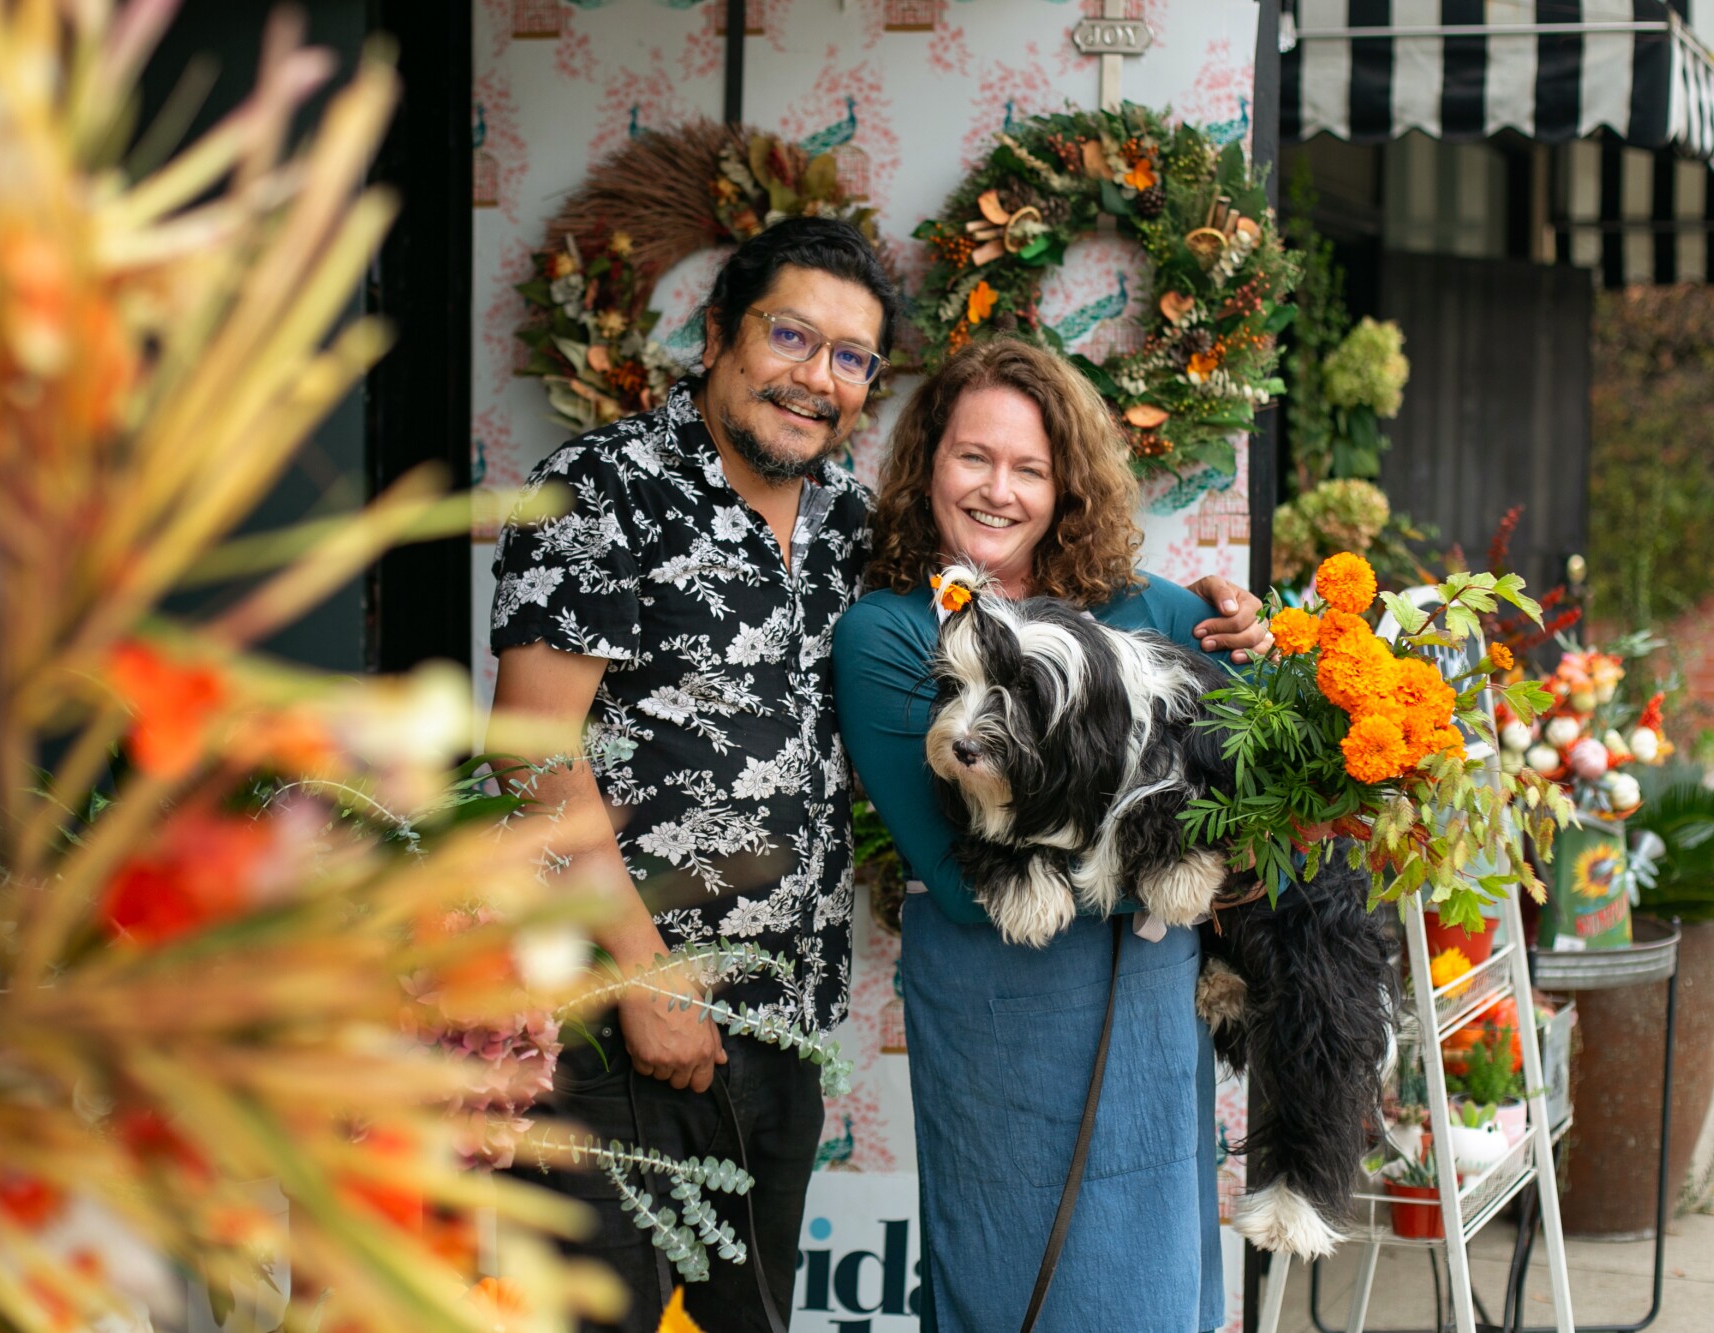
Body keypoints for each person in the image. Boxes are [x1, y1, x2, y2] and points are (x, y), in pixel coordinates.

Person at [490, 218, 1264, 1332]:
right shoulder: (601, 491)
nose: (816, 378)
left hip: (778, 1021)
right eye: (791, 337)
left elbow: (1035, 593)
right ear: (716, 334)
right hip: (609, 1015)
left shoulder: (850, 522)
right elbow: (528, 749)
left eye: (849, 357)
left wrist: (1220, 618)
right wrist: (639, 975)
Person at [831, 337, 1269, 1332]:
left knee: (1151, 1285)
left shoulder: (1147, 608)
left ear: (1066, 484)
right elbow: (960, 873)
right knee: (1011, 1278)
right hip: (999, 1009)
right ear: (926, 463)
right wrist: (1170, 868)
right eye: (972, 457)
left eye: (1029, 467)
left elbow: (1247, 777)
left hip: (1148, 1013)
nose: (998, 489)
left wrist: (1260, 632)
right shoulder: (891, 632)